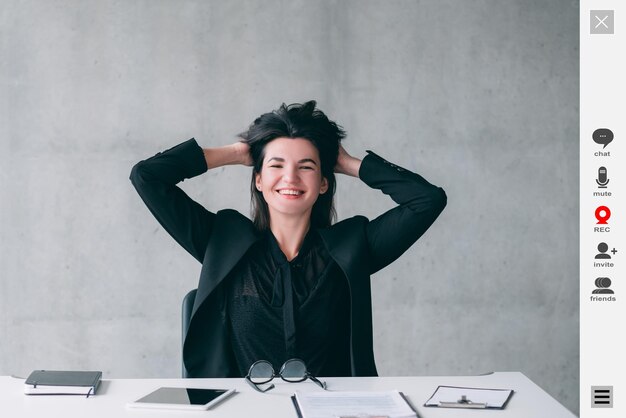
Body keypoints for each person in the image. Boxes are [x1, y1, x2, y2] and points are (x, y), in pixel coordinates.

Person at [130, 100, 446, 379]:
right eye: (276, 166)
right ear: (258, 179)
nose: (290, 178)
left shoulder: (352, 247)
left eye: (306, 167)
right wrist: (238, 152)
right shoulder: (222, 241)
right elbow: (147, 176)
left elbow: (427, 200)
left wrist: (348, 163)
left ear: (323, 183)